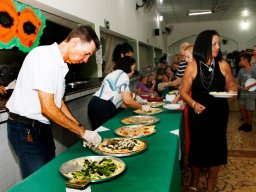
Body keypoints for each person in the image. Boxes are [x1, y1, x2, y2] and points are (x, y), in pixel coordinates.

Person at [6, 25, 102, 179]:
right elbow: (48, 108)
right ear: (75, 42)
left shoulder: (60, 65)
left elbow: (58, 102)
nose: (85, 60)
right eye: (86, 54)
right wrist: (82, 132)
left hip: (41, 127)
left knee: (49, 174)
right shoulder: (44, 56)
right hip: (25, 129)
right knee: (38, 181)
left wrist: (81, 129)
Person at [180, 30, 237, 192]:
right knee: (198, 148)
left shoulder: (223, 65)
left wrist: (232, 92)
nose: (218, 47)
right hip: (198, 115)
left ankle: (211, 184)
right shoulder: (192, 66)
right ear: (204, 45)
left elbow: (231, 84)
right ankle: (195, 179)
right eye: (214, 44)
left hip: (219, 115)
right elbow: (183, 92)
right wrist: (193, 104)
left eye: (218, 43)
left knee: (216, 149)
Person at [88, 56, 144, 130]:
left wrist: (134, 106)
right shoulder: (124, 75)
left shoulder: (115, 73)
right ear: (127, 67)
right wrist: (142, 107)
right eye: (133, 69)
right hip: (102, 107)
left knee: (99, 132)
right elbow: (128, 100)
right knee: (104, 132)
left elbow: (120, 103)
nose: (133, 71)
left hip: (95, 104)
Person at [237, 53, 256, 132]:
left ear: (246, 60)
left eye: (241, 60)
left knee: (249, 109)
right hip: (242, 92)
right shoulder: (241, 70)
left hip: (251, 93)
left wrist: (249, 86)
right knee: (242, 108)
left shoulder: (254, 69)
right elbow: (237, 80)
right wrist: (236, 86)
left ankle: (249, 124)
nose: (240, 62)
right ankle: (245, 123)